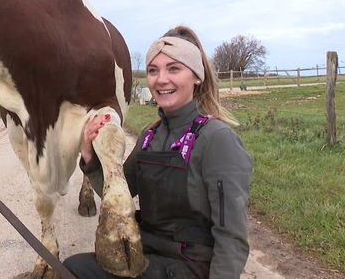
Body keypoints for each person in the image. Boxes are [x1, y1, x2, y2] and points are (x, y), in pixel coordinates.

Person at [64, 26, 253, 278]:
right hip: (147, 256)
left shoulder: (218, 140)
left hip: (191, 267)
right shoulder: (149, 136)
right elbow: (120, 194)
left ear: (197, 76)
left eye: (174, 68)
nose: (161, 79)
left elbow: (232, 238)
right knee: (73, 269)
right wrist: (89, 157)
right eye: (154, 70)